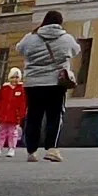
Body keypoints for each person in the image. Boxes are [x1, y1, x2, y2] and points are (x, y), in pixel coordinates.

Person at [19, 10, 80, 163]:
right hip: (56, 83)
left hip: (33, 83)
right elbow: (76, 50)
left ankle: (31, 151)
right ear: (60, 22)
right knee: (54, 116)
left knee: (34, 116)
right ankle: (51, 149)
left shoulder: (31, 38)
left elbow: (19, 49)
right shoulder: (66, 38)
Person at [0, 68, 27, 157]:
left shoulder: (22, 89)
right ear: (9, 78)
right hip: (3, 115)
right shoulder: (4, 89)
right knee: (0, 133)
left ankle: (11, 148)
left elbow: (23, 103)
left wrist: (22, 114)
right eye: (13, 77)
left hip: (15, 116)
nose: (15, 79)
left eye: (17, 77)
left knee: (13, 133)